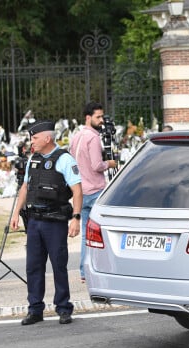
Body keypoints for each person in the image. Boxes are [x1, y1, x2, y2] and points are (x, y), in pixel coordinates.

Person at [11, 120, 83, 325]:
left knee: (59, 265)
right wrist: (16, 213)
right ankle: (35, 309)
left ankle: (63, 308)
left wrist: (76, 218)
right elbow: (25, 187)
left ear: (47, 138)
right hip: (34, 221)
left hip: (55, 221)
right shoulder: (33, 159)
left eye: (34, 138)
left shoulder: (65, 160)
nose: (31, 142)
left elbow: (77, 191)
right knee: (33, 266)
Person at [70, 102, 117, 283]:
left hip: (81, 191)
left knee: (85, 235)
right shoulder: (93, 138)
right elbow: (97, 165)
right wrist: (110, 164)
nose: (101, 121)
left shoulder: (76, 137)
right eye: (98, 117)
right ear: (88, 117)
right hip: (96, 190)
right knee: (102, 233)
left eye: (102, 117)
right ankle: (102, 269)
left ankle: (84, 271)